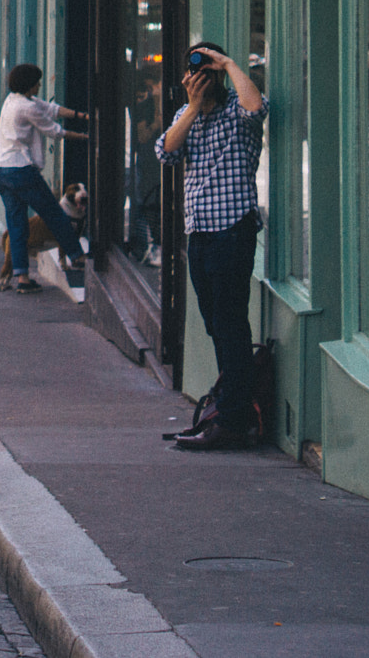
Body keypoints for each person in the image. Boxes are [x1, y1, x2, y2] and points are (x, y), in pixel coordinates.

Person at [158, 43, 267, 451]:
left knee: (230, 323)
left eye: (207, 73)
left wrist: (229, 64)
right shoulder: (187, 117)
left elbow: (256, 107)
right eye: (194, 73)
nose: (199, 79)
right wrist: (192, 105)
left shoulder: (238, 113)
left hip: (232, 231)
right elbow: (167, 152)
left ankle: (235, 419)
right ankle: (228, 408)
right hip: (200, 234)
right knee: (216, 323)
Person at [0, 62, 89, 294]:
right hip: (21, 171)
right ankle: (77, 257)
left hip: (1, 172)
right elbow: (55, 131)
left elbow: (53, 109)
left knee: (17, 226)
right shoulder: (27, 108)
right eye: (37, 81)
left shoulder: (13, 101)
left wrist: (80, 115)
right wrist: (86, 137)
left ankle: (22, 278)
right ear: (29, 84)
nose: (40, 84)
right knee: (54, 214)